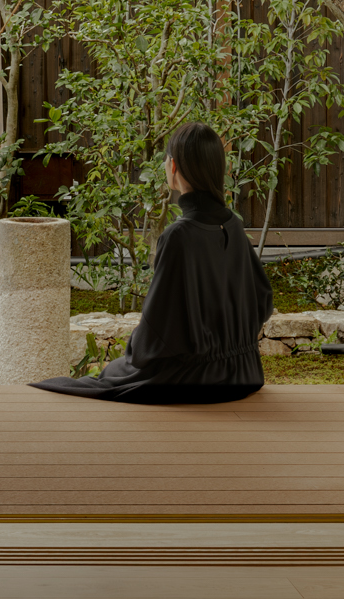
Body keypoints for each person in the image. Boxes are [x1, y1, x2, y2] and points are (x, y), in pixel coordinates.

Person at [30, 121, 275, 405]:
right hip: (244, 373)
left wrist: (134, 354)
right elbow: (263, 301)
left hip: (198, 380)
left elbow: (158, 329)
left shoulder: (179, 235)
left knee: (104, 378)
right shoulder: (232, 224)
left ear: (173, 166)